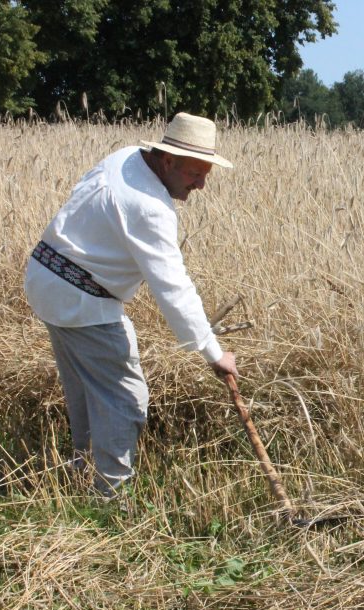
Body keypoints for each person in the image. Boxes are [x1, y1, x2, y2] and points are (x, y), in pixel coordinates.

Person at [25, 112, 238, 498]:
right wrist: (213, 352)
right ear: (168, 160)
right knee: (125, 398)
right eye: (195, 173)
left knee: (88, 390)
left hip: (46, 277)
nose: (202, 184)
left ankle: (82, 471)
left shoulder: (126, 158)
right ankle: (110, 497)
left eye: (206, 173)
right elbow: (173, 286)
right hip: (80, 299)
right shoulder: (149, 207)